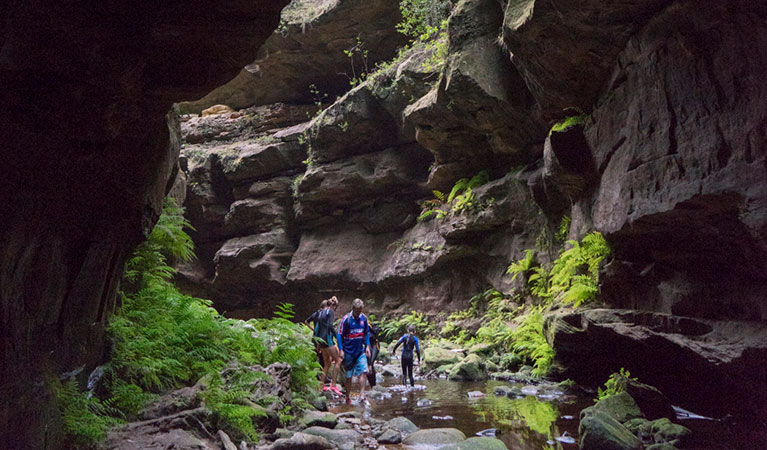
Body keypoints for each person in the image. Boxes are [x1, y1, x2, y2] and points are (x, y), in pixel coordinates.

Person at [338, 298, 371, 405]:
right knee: (349, 376)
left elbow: (366, 333)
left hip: (360, 351)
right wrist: (341, 349)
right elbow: (339, 335)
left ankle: (362, 395)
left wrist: (367, 346)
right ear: (353, 308)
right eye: (357, 310)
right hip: (348, 352)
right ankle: (347, 396)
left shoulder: (364, 319)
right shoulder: (346, 319)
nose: (359, 313)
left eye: (360, 310)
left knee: (364, 371)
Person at [304, 300, 328, 372]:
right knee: (321, 357)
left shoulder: (316, 313)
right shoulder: (322, 314)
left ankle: (315, 374)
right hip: (320, 338)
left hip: (315, 337)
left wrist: (312, 329)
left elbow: (306, 321)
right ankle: (319, 375)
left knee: (315, 356)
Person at [366, 321, 381, 387]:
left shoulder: (366, 325)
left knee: (370, 364)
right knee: (369, 364)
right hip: (370, 344)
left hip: (375, 344)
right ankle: (372, 385)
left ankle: (373, 385)